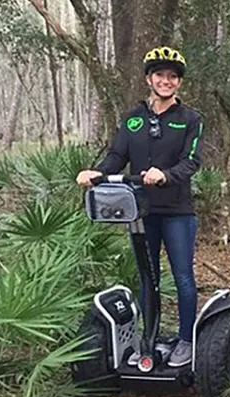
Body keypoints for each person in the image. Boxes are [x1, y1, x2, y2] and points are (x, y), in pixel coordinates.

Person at [76, 46, 204, 368]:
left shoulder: (190, 119)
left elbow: (192, 161)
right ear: (149, 79)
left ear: (178, 82)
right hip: (139, 210)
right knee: (148, 278)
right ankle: (151, 338)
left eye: (172, 76)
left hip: (177, 211)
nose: (166, 80)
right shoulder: (133, 119)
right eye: (160, 75)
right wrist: (98, 173)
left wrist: (166, 175)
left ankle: (187, 339)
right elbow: (117, 155)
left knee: (183, 277)